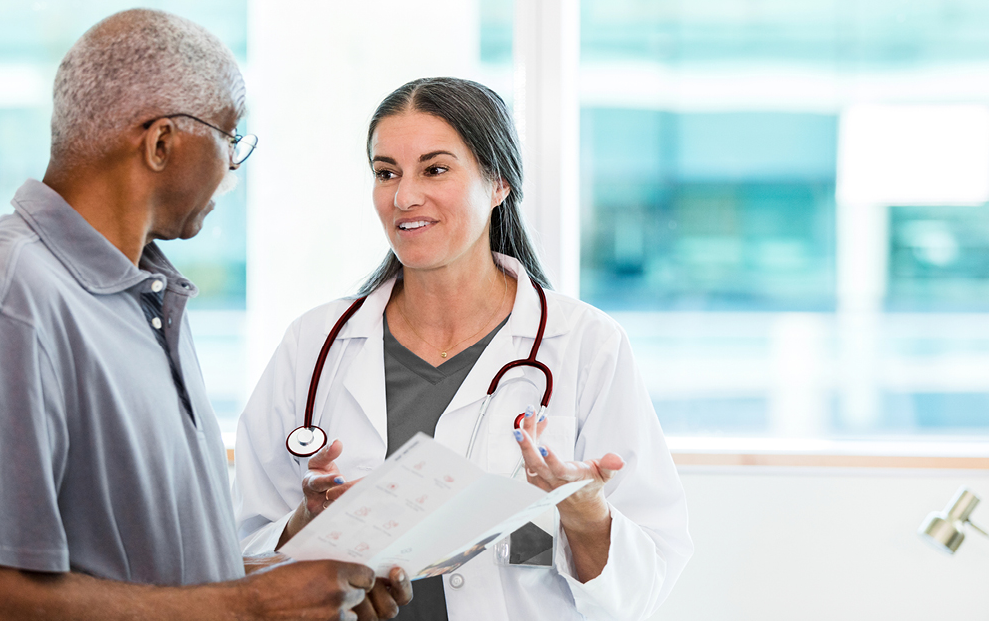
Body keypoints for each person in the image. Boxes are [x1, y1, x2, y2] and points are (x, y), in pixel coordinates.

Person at [0, 8, 410, 621]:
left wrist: (293, 579)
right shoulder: (11, 298)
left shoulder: (144, 296)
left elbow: (150, 570)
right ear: (161, 143)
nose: (232, 166)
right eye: (230, 137)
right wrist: (250, 604)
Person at [233, 77, 693, 621]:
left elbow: (645, 582)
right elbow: (239, 551)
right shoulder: (315, 344)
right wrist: (301, 523)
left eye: (435, 169)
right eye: (386, 173)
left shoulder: (584, 344)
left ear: (498, 183)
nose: (404, 196)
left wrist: (584, 510)